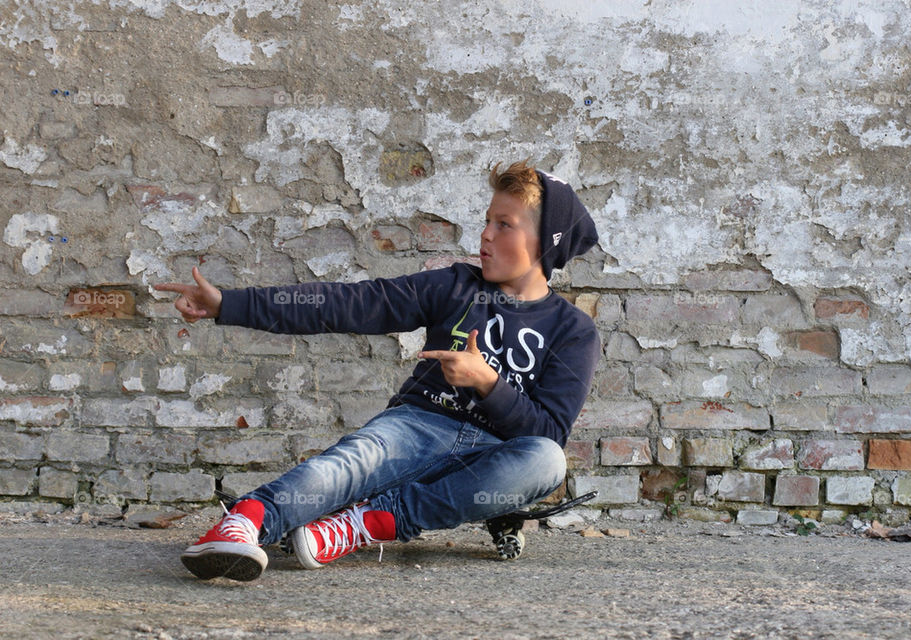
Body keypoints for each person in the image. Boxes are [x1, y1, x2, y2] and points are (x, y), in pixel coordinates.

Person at [155, 160, 601, 581]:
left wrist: (487, 382)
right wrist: (229, 305)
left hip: (493, 456)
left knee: (547, 460)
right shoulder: (454, 286)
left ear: (547, 241)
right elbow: (348, 305)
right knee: (345, 467)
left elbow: (548, 432)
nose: (485, 235)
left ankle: (364, 524)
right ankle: (243, 525)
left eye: (504, 224)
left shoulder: (573, 331)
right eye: (487, 220)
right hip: (418, 426)